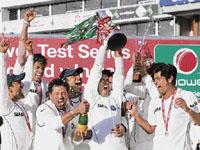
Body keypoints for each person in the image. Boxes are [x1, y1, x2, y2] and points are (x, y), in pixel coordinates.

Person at [126, 63, 200, 150]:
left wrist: (188, 110)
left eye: (158, 79)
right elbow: (150, 129)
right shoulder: (155, 101)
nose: (155, 82)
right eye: (154, 79)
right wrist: (135, 114)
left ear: (170, 79)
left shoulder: (186, 96)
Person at [84, 39, 128, 150]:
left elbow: (119, 76)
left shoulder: (115, 99)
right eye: (102, 80)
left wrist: (118, 55)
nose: (105, 83)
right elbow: (97, 68)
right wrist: (105, 43)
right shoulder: (92, 99)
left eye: (108, 81)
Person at [13, 9, 48, 134]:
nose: (40, 71)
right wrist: (26, 24)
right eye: (37, 67)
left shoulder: (45, 85)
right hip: (21, 130)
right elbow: (22, 47)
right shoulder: (21, 80)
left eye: (42, 68)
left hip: (38, 133)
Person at [33, 78, 90, 150]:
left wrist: (77, 137)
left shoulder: (71, 109)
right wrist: (77, 110)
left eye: (63, 93)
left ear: (67, 94)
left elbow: (75, 141)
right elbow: (54, 123)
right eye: (56, 94)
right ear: (50, 95)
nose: (60, 97)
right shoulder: (43, 109)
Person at [0, 33, 34, 150]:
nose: (22, 84)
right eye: (18, 83)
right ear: (9, 88)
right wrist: (2, 54)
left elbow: (29, 80)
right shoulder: (5, 105)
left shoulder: (19, 102)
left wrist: (30, 55)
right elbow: (2, 79)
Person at [124, 52, 159, 150]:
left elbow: (157, 96)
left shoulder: (159, 95)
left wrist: (145, 76)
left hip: (150, 144)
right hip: (135, 142)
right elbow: (127, 87)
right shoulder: (145, 90)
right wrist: (134, 66)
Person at [59, 67, 91, 150]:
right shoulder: (59, 103)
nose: (79, 77)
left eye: (79, 75)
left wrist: (90, 132)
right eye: (74, 75)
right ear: (65, 82)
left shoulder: (87, 98)